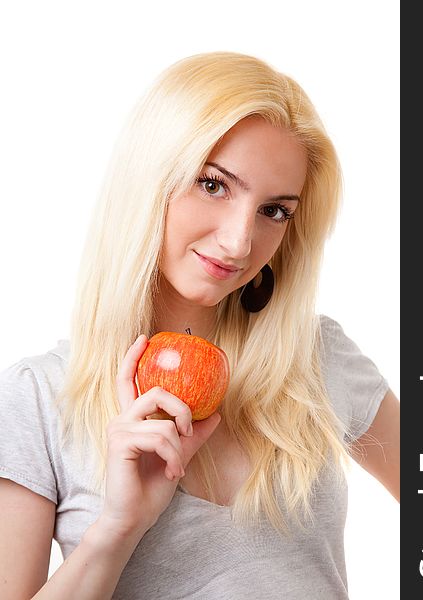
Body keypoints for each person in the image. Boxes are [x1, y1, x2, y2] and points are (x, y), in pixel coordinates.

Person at [0, 51, 399, 599]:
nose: (239, 241)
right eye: (213, 185)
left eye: (275, 211)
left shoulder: (316, 356)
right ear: (150, 179)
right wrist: (117, 530)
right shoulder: (39, 399)